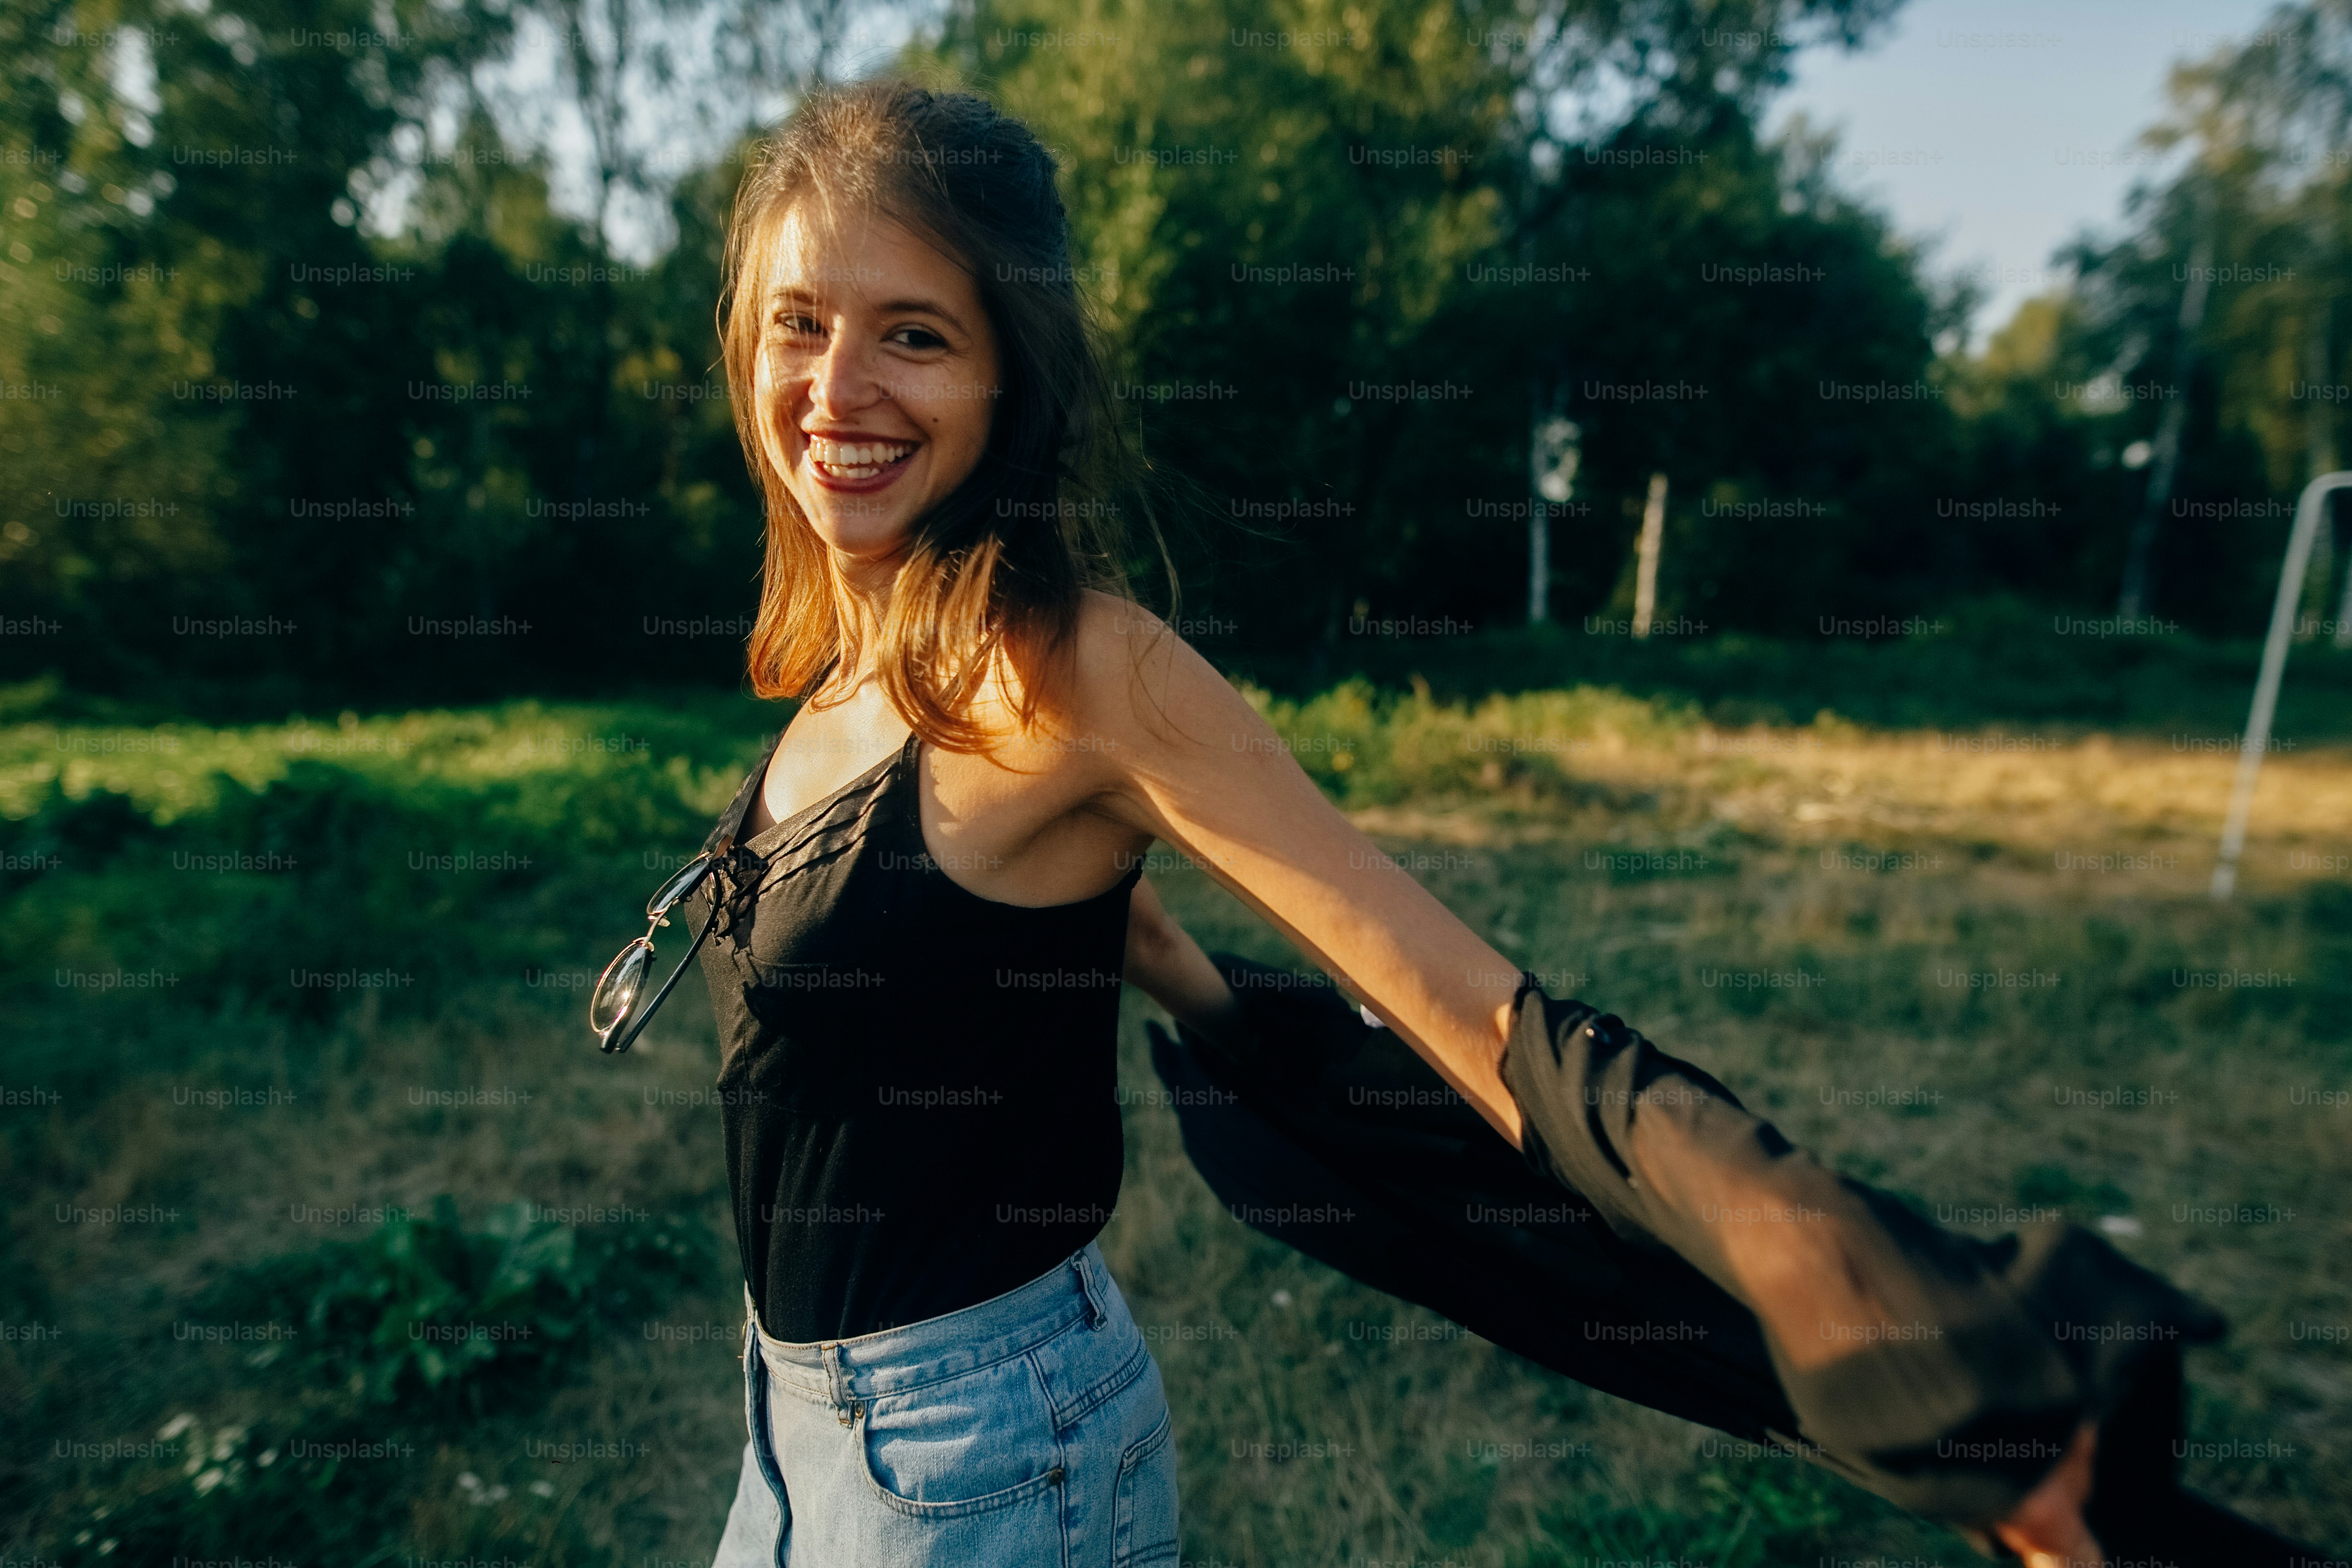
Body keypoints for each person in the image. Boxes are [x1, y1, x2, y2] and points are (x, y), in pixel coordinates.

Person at [662, 76, 2164, 1568]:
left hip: (975, 1466)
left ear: (1011, 375)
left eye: (915, 334)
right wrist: (1189, 985)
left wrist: (1925, 1366)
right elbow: (1019, 917)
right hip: (791, 1436)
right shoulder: (849, 671)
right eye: (801, 320)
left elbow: (1494, 1029)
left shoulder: (1078, 669)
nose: (837, 387)